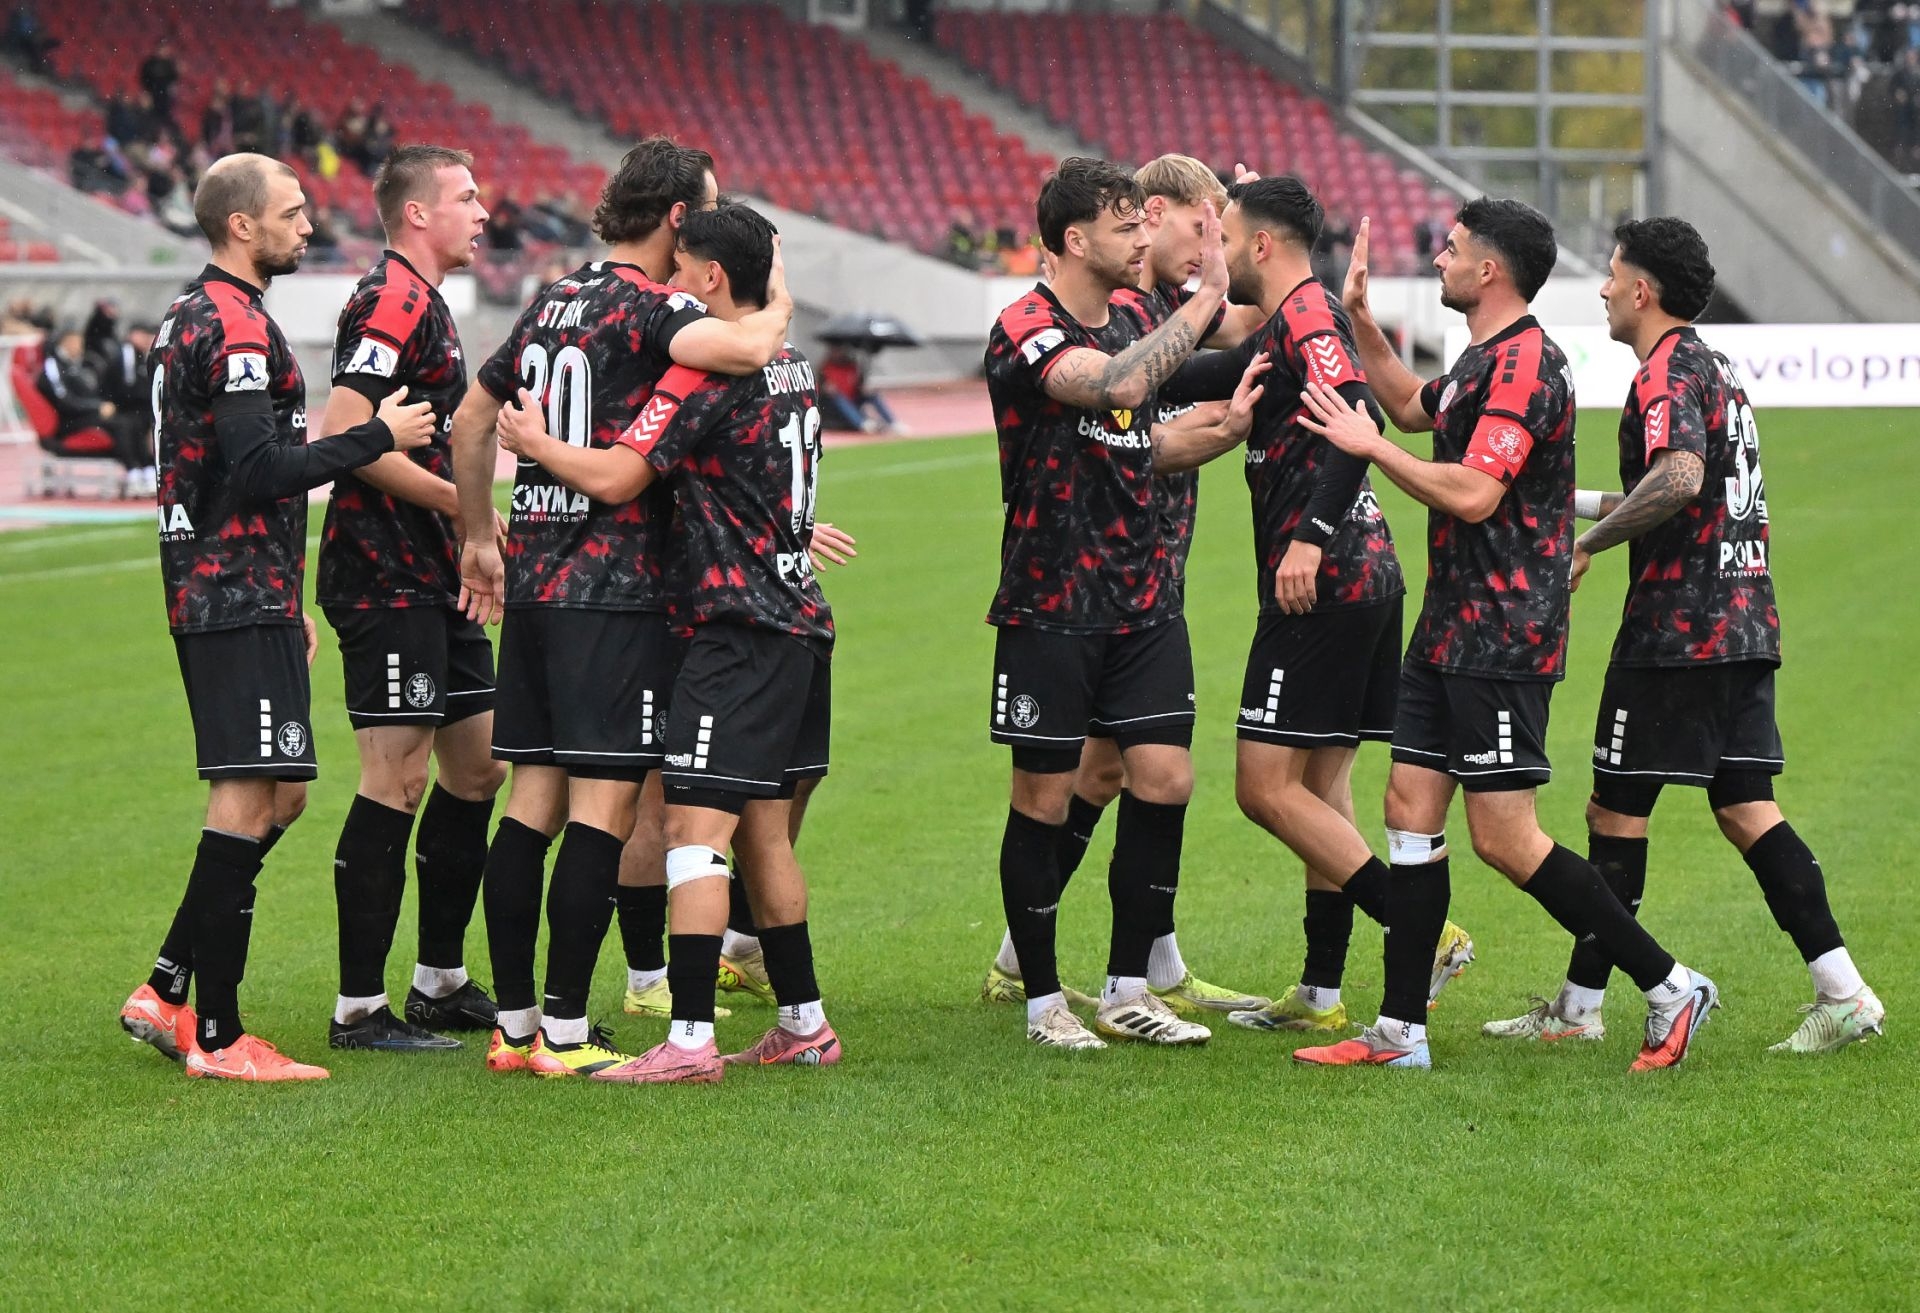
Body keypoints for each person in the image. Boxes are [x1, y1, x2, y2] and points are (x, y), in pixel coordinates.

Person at [1293, 199, 1719, 1072]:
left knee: (1505, 837)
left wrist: (1369, 448)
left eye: (1450, 250)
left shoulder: (1528, 363)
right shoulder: (1481, 357)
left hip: (1502, 631)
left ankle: (1672, 983)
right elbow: (1412, 406)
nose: (1438, 260)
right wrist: (1363, 321)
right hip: (1448, 626)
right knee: (1408, 809)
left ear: (1488, 271)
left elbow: (1475, 493)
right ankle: (1400, 1032)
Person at [1482, 216, 1883, 1053]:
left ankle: (1582, 1010)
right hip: (1743, 617)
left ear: (1643, 289)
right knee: (1744, 806)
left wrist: (1589, 545)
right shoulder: (1714, 364)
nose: (1602, 288)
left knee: (1615, 811)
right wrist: (1564, 502)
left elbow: (1680, 476)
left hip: (1680, 632)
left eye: (1612, 273)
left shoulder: (1664, 371)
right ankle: (1843, 991)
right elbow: (1676, 487)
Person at [450, 137, 793, 1078]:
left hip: (536, 580)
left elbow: (472, 419)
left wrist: (479, 537)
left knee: (530, 804)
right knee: (601, 811)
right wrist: (779, 296)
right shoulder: (657, 309)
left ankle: (513, 1024)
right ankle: (565, 1033)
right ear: (680, 218)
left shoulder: (552, 298)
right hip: (617, 592)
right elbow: (750, 344)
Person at [117, 152, 436, 1081]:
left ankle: (167, 984)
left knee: (282, 794)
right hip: (227, 590)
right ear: (241, 225)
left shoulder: (198, 312)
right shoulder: (233, 323)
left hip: (244, 588)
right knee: (247, 797)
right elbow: (259, 469)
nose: (308, 225)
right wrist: (376, 436)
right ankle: (219, 1037)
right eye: (292, 212)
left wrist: (286, 598)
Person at [1149, 174, 1476, 1033]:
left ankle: (1421, 930)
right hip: (1364, 577)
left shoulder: (1305, 315)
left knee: (1263, 787)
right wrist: (1113, 374)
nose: (1217, 256)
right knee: (1324, 785)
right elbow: (1206, 371)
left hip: (1323, 582)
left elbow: (1360, 416)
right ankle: (1322, 991)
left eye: (1226, 239)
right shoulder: (1291, 322)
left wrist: (1309, 537)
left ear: (1261, 245)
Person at [984, 156, 1269, 1050]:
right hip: (1051, 599)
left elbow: (1142, 443)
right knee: (1042, 798)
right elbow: (1115, 388)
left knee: (1166, 778)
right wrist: (1206, 297)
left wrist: (1225, 429)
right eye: (1124, 225)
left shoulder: (1140, 315)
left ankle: (1125, 988)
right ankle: (1041, 1000)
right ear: (1076, 240)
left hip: (1143, 598)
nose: (1141, 237)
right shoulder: (1026, 324)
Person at [310, 145, 508, 1052]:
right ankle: (358, 1007)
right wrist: (465, 506)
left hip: (434, 572)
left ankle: (439, 980)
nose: (483, 210)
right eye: (466, 196)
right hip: (383, 573)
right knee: (395, 778)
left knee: (480, 767)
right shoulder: (392, 297)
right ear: (418, 213)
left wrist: (466, 526)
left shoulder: (427, 299)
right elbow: (346, 432)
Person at [34, 322, 150, 476]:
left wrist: (99, 405)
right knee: (121, 424)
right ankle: (132, 470)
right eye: (78, 342)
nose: (80, 346)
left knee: (130, 420)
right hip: (67, 422)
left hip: (79, 415)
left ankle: (145, 466)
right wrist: (96, 408)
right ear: (67, 342)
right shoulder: (52, 366)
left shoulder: (69, 364)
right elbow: (63, 400)